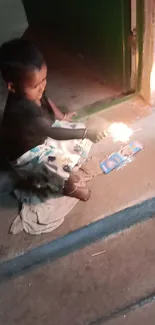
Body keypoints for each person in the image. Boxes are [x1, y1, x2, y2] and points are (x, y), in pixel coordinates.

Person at [0, 39, 105, 201]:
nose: (42, 86)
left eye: (44, 79)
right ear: (12, 87)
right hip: (26, 153)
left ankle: (64, 170)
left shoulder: (34, 91)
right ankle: (69, 188)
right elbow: (53, 132)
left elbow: (46, 101)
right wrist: (86, 133)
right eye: (36, 85)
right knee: (59, 164)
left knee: (75, 131)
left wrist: (62, 117)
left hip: (41, 135)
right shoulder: (22, 111)